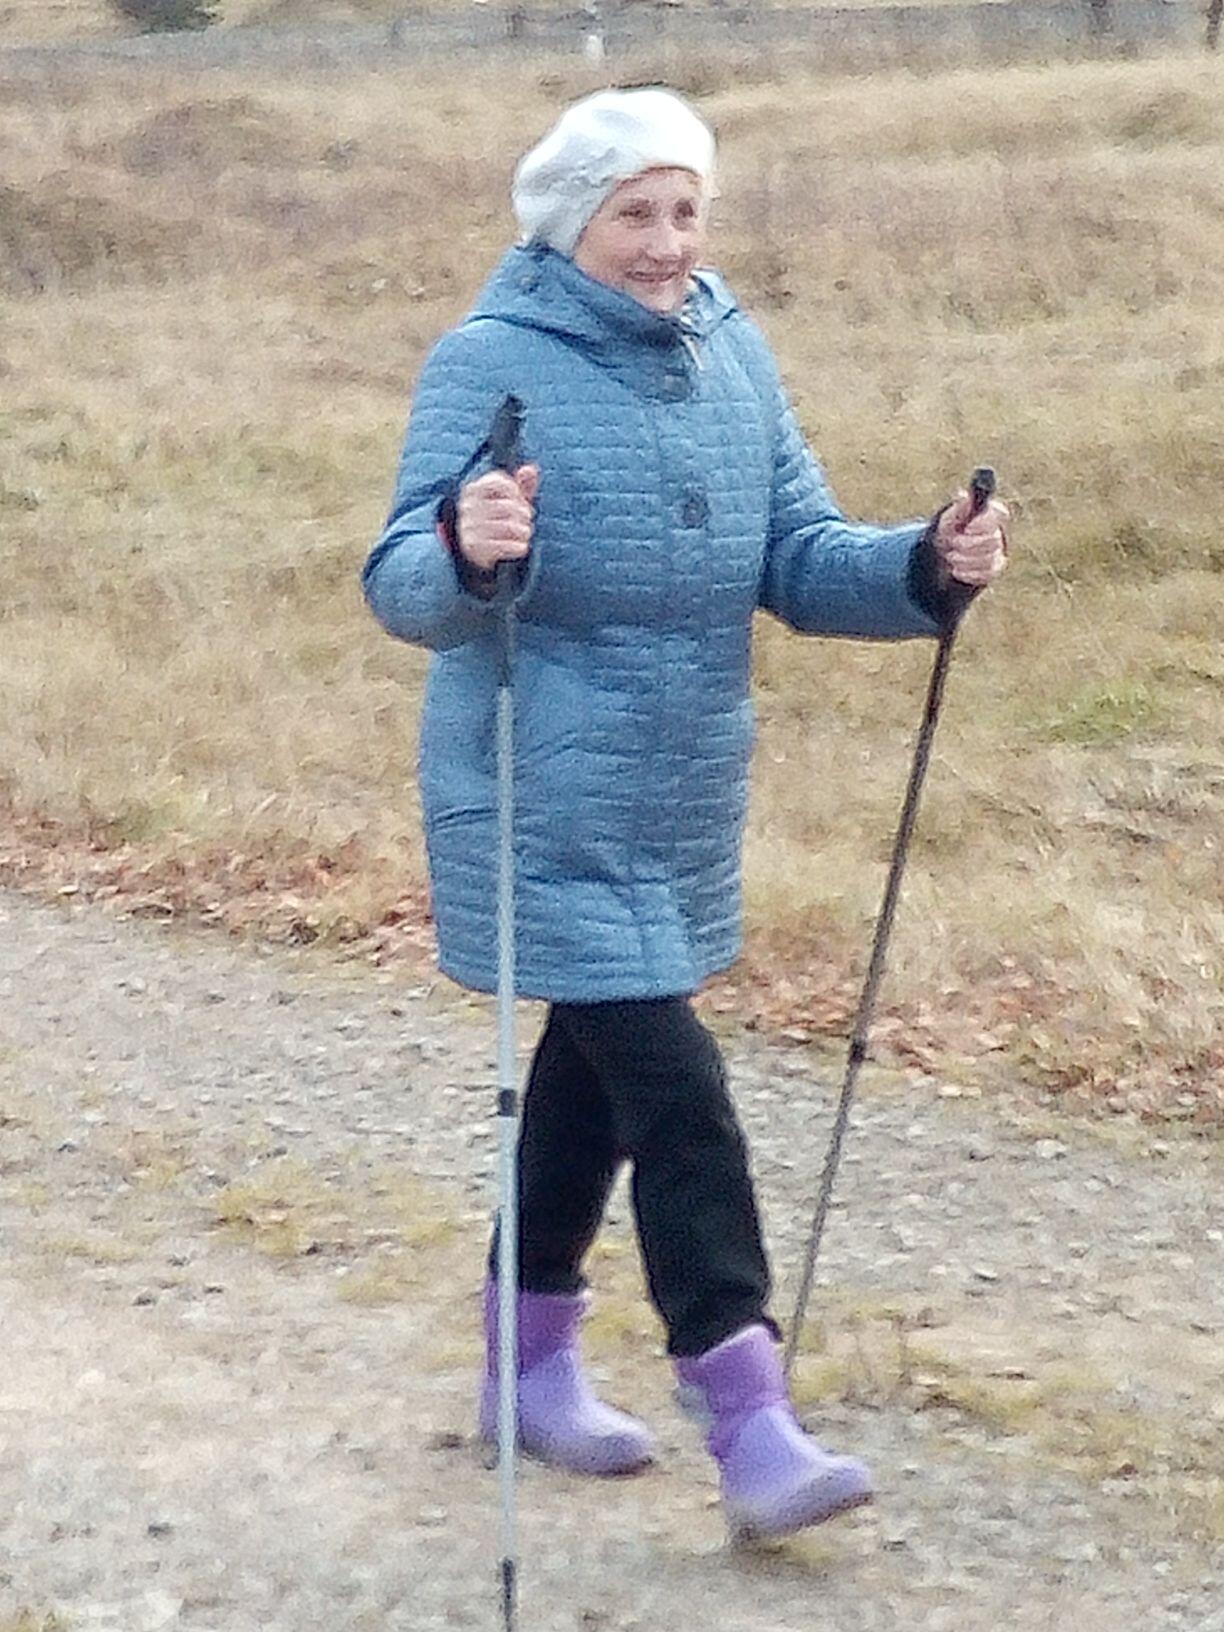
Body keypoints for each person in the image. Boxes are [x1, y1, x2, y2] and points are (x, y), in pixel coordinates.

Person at [362, 87, 1008, 1540]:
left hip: (680, 795)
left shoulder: (731, 352)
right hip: (535, 800)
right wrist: (466, 543)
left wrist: (925, 565)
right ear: (568, 224)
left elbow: (799, 554)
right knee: (678, 1095)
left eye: (685, 210)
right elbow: (401, 583)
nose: (667, 243)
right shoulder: (490, 359)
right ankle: (749, 1419)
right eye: (634, 215)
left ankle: (525, 1371)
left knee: (589, 1086)